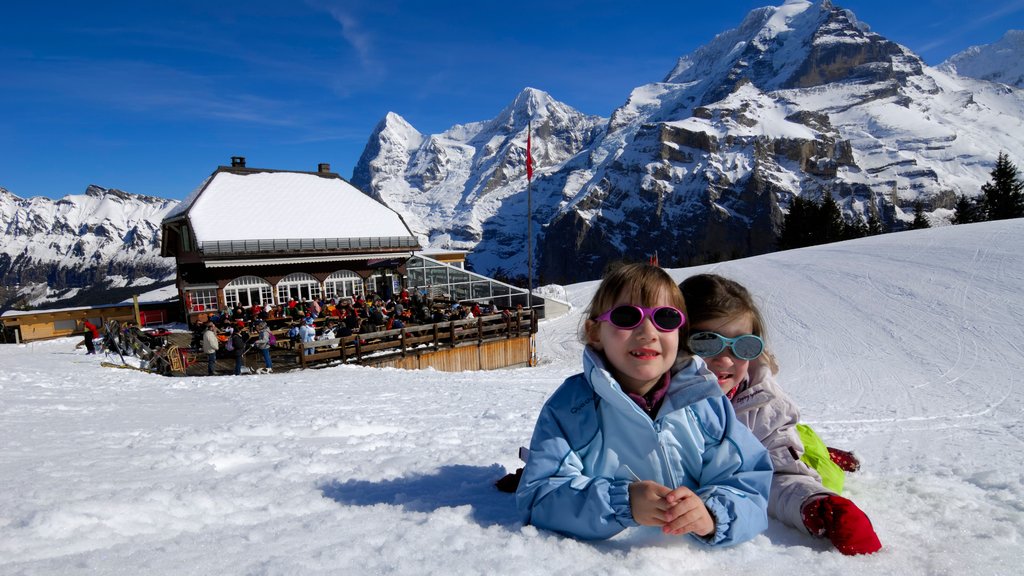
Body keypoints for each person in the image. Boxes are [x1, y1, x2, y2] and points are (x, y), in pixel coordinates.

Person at [516, 263, 772, 544]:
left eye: (665, 318)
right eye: (627, 317)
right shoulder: (572, 408)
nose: (649, 332)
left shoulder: (705, 403)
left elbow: (749, 481)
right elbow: (539, 497)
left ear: (680, 333)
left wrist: (712, 515)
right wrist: (621, 503)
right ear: (595, 332)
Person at [678, 273, 882, 555]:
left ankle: (826, 453)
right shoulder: (653, 397)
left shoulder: (764, 405)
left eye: (743, 345)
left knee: (825, 472)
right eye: (706, 342)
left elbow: (777, 475)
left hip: (776, 440)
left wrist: (813, 503)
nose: (725, 360)